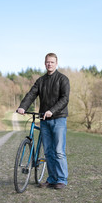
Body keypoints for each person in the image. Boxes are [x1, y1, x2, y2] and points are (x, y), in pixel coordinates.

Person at [17, 53, 70, 189]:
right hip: (44, 120)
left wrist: (52, 110)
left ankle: (62, 180)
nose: (49, 64)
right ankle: (52, 179)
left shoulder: (63, 79)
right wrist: (23, 107)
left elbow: (64, 99)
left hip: (58, 119)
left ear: (56, 63)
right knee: (48, 152)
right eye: (47, 62)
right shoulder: (41, 81)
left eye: (52, 62)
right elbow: (31, 94)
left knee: (58, 151)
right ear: (44, 63)